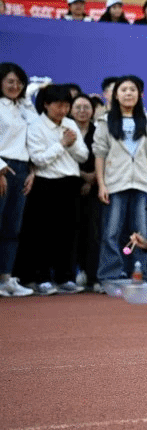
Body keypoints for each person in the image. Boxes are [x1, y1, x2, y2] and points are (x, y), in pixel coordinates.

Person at [22, 84, 87, 294]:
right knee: (43, 233)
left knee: (69, 233)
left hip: (70, 183)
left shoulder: (70, 124)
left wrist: (72, 144)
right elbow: (38, 159)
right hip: (45, 183)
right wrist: (62, 144)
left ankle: (65, 277)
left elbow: (83, 155)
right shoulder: (35, 126)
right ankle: (41, 278)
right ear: (46, 104)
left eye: (66, 105)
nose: (63, 110)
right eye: (58, 105)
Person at [93, 76, 147, 282]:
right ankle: (110, 273)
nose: (128, 93)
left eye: (132, 89)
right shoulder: (105, 121)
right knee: (111, 231)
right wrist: (101, 184)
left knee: (142, 231)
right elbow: (99, 154)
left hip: (142, 183)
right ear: (115, 95)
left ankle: (139, 272)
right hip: (114, 182)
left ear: (140, 94)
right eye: (123, 89)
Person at [0, 62, 37, 297]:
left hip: (23, 169)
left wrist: (32, 171)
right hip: (3, 167)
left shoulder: (23, 107)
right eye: (10, 81)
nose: (15, 86)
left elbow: (34, 136)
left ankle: (6, 279)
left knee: (12, 228)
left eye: (20, 83)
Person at [69, 93, 100, 290]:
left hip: (96, 188)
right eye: (78, 107)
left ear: (93, 110)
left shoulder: (98, 131)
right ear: (71, 110)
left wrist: (92, 179)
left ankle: (92, 275)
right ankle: (70, 275)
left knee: (93, 232)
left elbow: (105, 156)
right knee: (71, 231)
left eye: (86, 107)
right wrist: (83, 176)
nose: (82, 111)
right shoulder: (66, 130)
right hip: (70, 185)